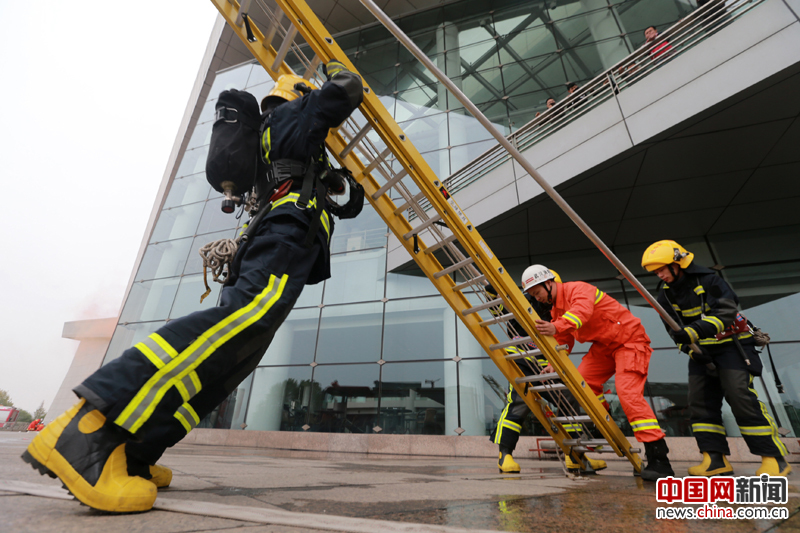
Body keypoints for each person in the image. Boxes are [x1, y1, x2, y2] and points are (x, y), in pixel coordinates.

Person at [22, 60, 366, 513]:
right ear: (297, 94)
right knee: (243, 321)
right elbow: (345, 89)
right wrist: (334, 70)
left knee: (228, 361)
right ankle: (90, 430)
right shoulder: (291, 115)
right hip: (283, 236)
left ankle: (135, 453)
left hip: (277, 238)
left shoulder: (276, 135)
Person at [642, 240, 791, 477]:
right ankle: (714, 460)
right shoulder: (665, 297)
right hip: (702, 354)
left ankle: (774, 459)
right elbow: (675, 332)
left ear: (678, 263)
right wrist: (693, 351)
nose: (659, 274)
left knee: (740, 398)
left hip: (733, 348)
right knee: (700, 405)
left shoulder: (709, 280)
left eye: (661, 269)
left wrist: (694, 331)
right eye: (655, 271)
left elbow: (726, 311)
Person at [524, 264, 674, 481]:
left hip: (629, 340)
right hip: (605, 346)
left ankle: (659, 459)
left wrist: (556, 327)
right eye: (533, 296)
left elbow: (580, 314)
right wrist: (555, 362)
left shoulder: (578, 290)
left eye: (537, 293)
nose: (537, 299)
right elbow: (564, 340)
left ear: (548, 283)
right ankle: (603, 421)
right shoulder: (556, 310)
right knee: (582, 382)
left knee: (628, 395)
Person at [487, 275, 609, 475]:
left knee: (569, 404)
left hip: (548, 367)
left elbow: (566, 338)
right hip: (522, 361)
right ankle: (505, 456)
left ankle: (575, 456)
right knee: (519, 406)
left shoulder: (559, 311)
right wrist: (493, 288)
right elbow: (498, 308)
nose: (541, 298)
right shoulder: (522, 304)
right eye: (535, 293)